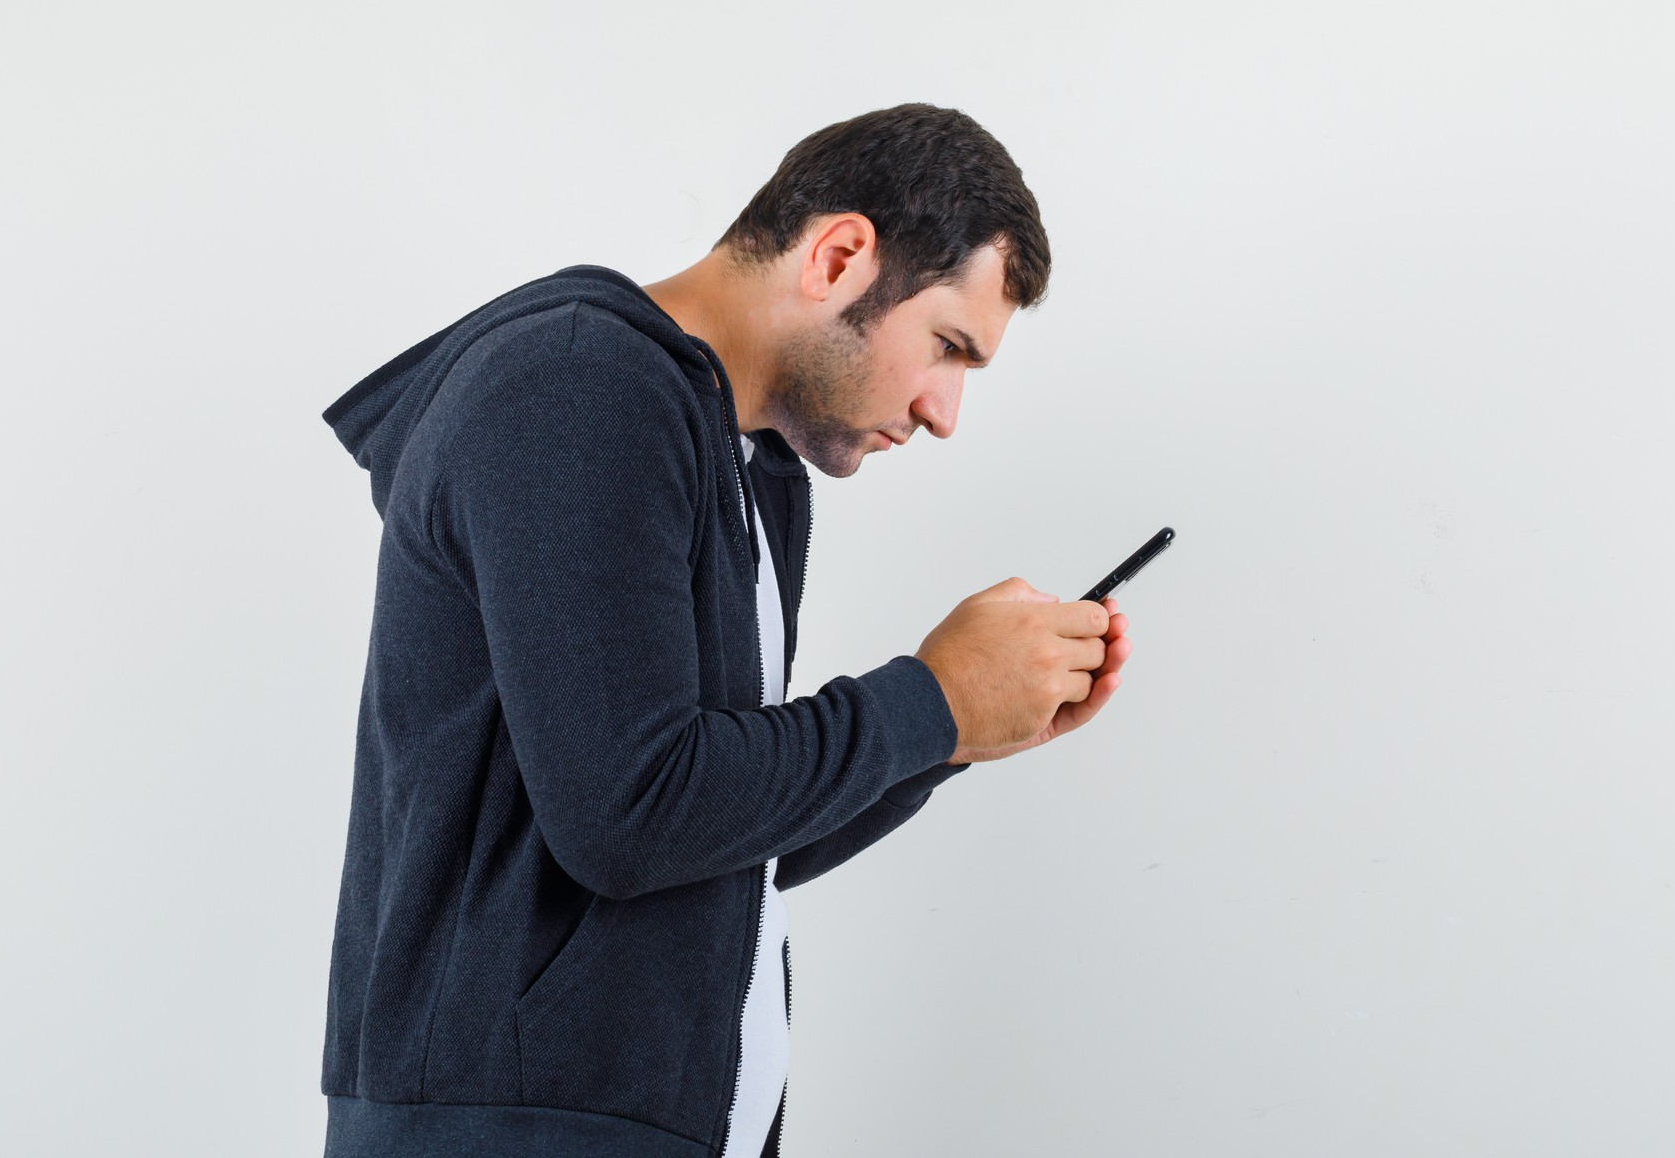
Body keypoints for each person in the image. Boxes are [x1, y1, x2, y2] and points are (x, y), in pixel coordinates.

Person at [316, 103, 1134, 1158]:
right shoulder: (578, 385)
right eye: (946, 346)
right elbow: (630, 813)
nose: (944, 410)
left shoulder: (745, 464)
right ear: (838, 257)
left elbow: (713, 840)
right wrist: (931, 699)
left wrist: (956, 731)